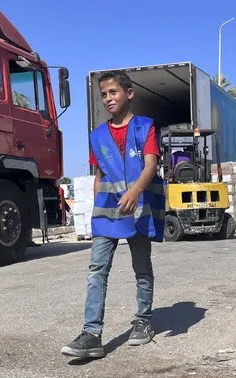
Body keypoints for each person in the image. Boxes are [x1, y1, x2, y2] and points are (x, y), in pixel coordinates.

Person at [61, 70, 165, 359]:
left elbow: (150, 166)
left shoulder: (145, 127)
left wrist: (134, 194)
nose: (108, 98)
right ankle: (92, 334)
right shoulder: (98, 136)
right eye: (104, 94)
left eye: (113, 92)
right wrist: (96, 210)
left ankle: (143, 321)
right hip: (107, 213)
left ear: (129, 94)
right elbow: (98, 175)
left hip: (138, 209)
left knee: (141, 268)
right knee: (97, 269)